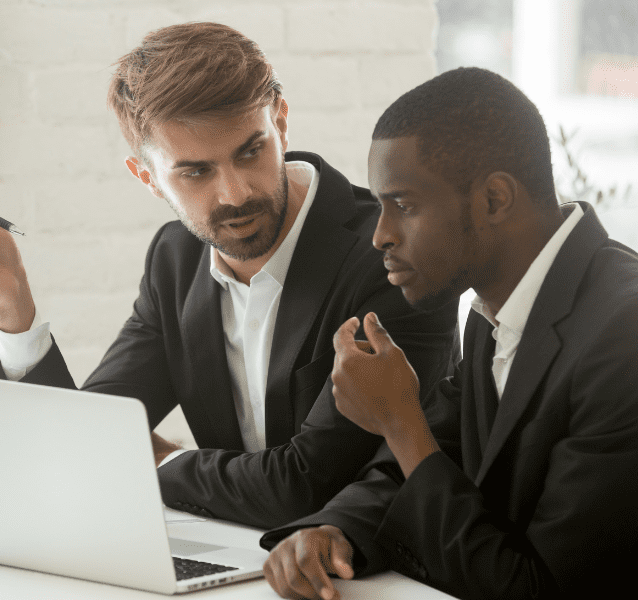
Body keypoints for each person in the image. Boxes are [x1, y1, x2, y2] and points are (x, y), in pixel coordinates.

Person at [0, 23, 458, 528]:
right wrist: (11, 303)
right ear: (147, 177)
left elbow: (303, 488)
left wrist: (158, 463)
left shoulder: (387, 260)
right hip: (242, 558)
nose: (236, 193)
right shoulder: (175, 260)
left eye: (251, 151)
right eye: (195, 171)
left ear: (282, 119)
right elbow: (84, 440)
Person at [261, 67, 638, 600]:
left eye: (404, 206)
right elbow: (431, 455)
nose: (380, 236)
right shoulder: (499, 307)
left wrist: (400, 420)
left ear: (494, 199)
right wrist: (331, 530)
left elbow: (537, 589)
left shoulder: (624, 337)